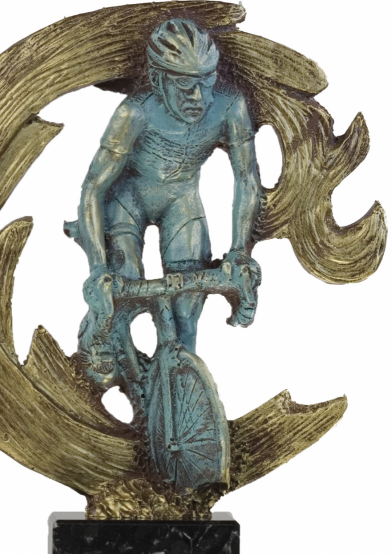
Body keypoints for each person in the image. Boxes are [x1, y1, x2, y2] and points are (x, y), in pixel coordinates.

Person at [66, 19, 262, 377]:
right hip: (127, 200)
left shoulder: (230, 105)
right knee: (122, 289)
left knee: (187, 312)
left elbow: (246, 179)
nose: (198, 97)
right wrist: (97, 268)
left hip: (181, 201)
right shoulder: (135, 112)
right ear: (157, 79)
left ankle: (180, 381)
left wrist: (239, 252)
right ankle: (102, 338)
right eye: (185, 85)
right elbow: (93, 187)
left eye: (207, 82)